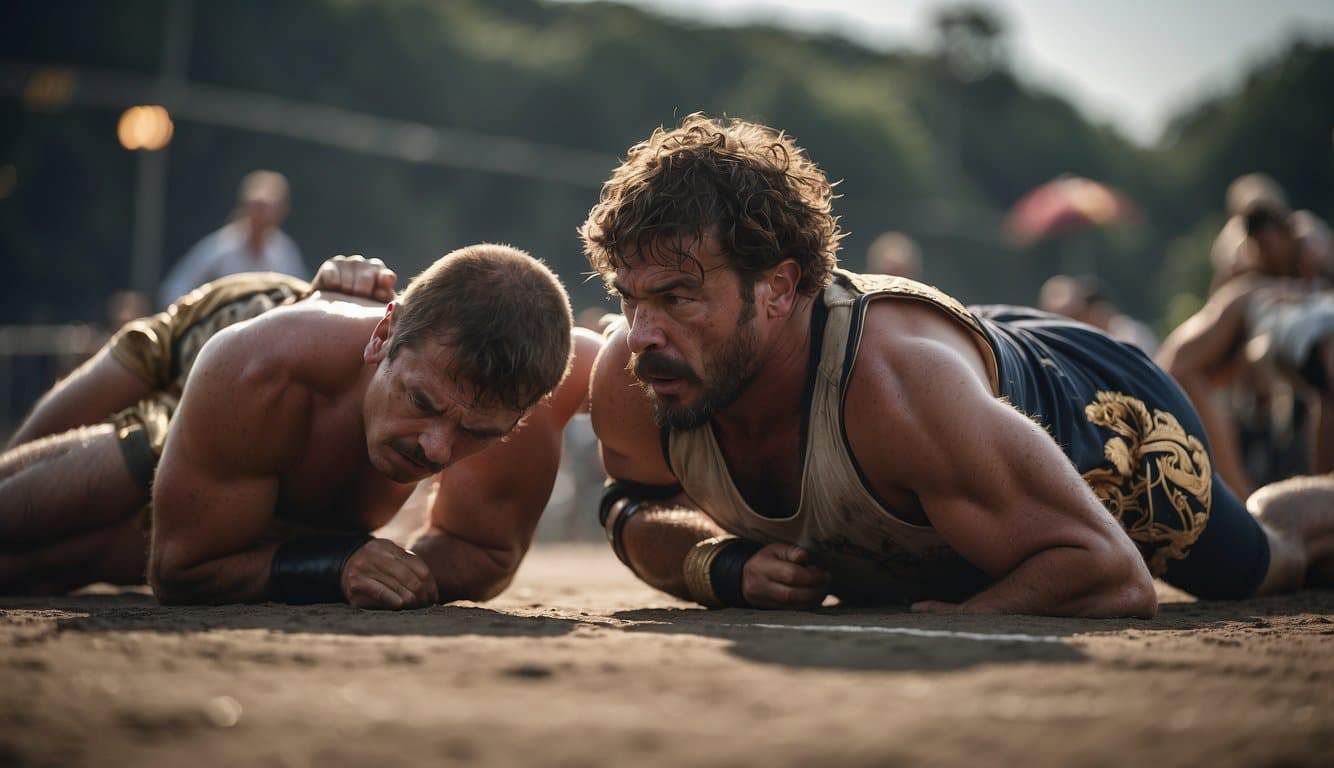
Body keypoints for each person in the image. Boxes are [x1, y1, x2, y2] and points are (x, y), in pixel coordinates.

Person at [580, 114, 1333, 618]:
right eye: (629, 297)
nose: (642, 332)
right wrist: (715, 565)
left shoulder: (897, 387)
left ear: (777, 288)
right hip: (959, 380)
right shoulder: (634, 369)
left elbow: (1110, 570)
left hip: (1089, 402)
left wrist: (970, 619)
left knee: (1270, 561)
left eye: (678, 296)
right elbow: (632, 511)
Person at [1, 248, 602, 609]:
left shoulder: (551, 380)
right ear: (383, 337)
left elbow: (479, 555)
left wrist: (370, 572)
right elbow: (180, 571)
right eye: (422, 401)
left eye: (481, 432)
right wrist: (332, 565)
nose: (438, 448)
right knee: (80, 479)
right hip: (218, 340)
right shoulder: (264, 366)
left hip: (270, 470)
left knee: (45, 569)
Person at [1160, 206, 1334, 495]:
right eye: (1259, 247)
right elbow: (1176, 368)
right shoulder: (1246, 296)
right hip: (1181, 410)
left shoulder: (1304, 293)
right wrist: (1239, 490)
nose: (1263, 254)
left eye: (1267, 246)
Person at [158, 171, 305, 307]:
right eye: (258, 207)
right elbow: (175, 290)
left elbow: (301, 297)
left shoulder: (285, 253)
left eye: (268, 208)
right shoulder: (221, 247)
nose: (262, 215)